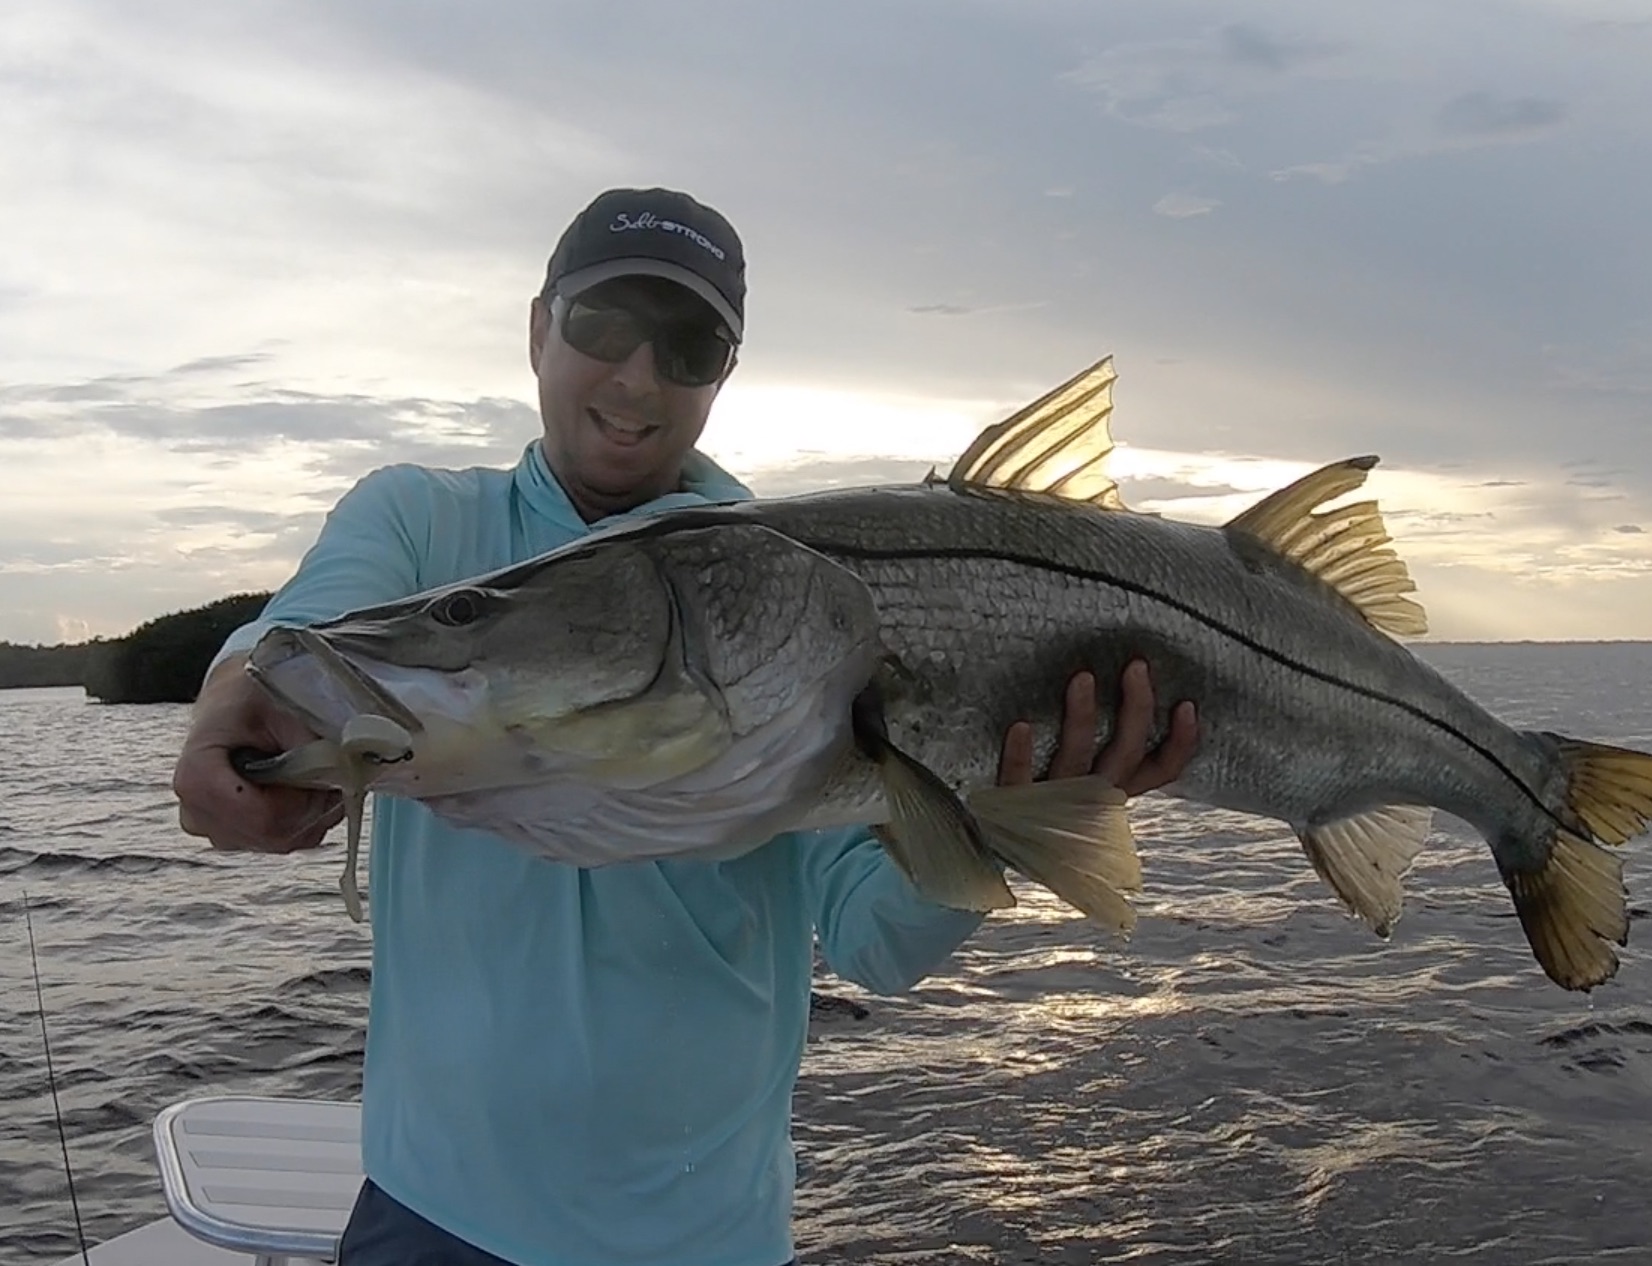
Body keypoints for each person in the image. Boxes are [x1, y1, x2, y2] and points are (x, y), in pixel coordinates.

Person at [171, 186, 1199, 1266]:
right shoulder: (422, 522)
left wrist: (1020, 812)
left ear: (724, 374)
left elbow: (877, 944)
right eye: (603, 326)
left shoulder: (792, 607)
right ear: (537, 328)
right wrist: (232, 702)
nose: (636, 378)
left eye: (689, 344)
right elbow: (310, 628)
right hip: (430, 1217)